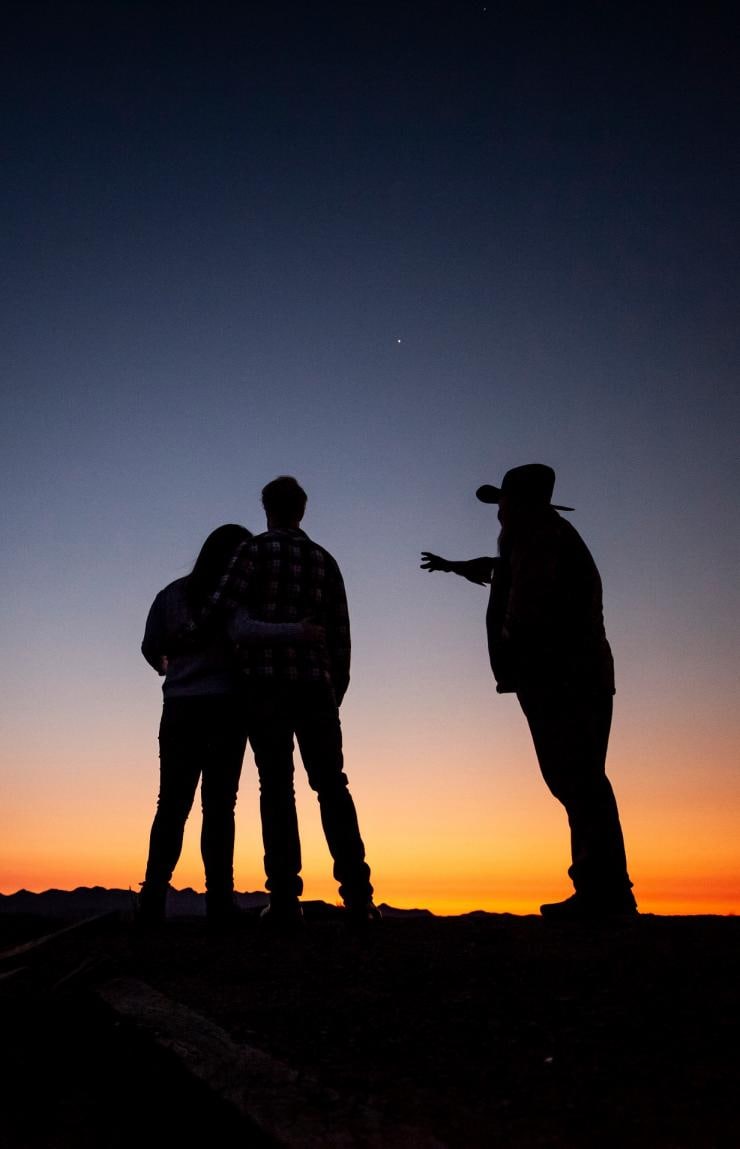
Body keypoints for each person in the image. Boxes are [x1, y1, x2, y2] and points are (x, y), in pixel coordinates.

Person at [421, 463, 637, 921]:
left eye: (501, 503)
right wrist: (459, 567)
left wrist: (519, 656)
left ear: (519, 504)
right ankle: (603, 890)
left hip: (562, 678)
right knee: (580, 781)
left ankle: (606, 895)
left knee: (578, 781)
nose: (497, 512)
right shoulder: (542, 536)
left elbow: (529, 606)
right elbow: (504, 570)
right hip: (575, 675)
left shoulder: (538, 537)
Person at [206, 476, 379, 925]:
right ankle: (359, 897)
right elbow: (341, 634)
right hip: (316, 688)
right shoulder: (325, 561)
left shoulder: (253, 552)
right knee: (332, 785)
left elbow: (222, 608)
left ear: (266, 508)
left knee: (277, 789)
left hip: (264, 689)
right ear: (302, 510)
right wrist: (333, 688)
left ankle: (284, 899)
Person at [138, 523, 321, 928]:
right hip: (226, 707)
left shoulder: (171, 595)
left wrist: (173, 668)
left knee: (171, 804)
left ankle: (152, 897)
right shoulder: (237, 599)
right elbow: (248, 635)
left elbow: (151, 646)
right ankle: (219, 900)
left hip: (180, 708)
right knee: (219, 807)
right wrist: (301, 632)